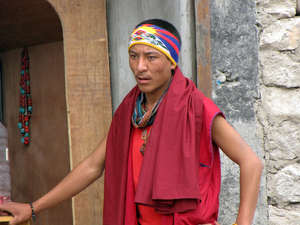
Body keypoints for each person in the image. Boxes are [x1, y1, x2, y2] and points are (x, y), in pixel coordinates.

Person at [0, 19, 263, 225]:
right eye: (134, 56)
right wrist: (33, 208)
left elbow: (251, 162)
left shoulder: (197, 107)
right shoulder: (129, 113)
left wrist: (241, 223)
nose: (140, 67)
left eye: (151, 57)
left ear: (172, 62)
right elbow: (92, 166)